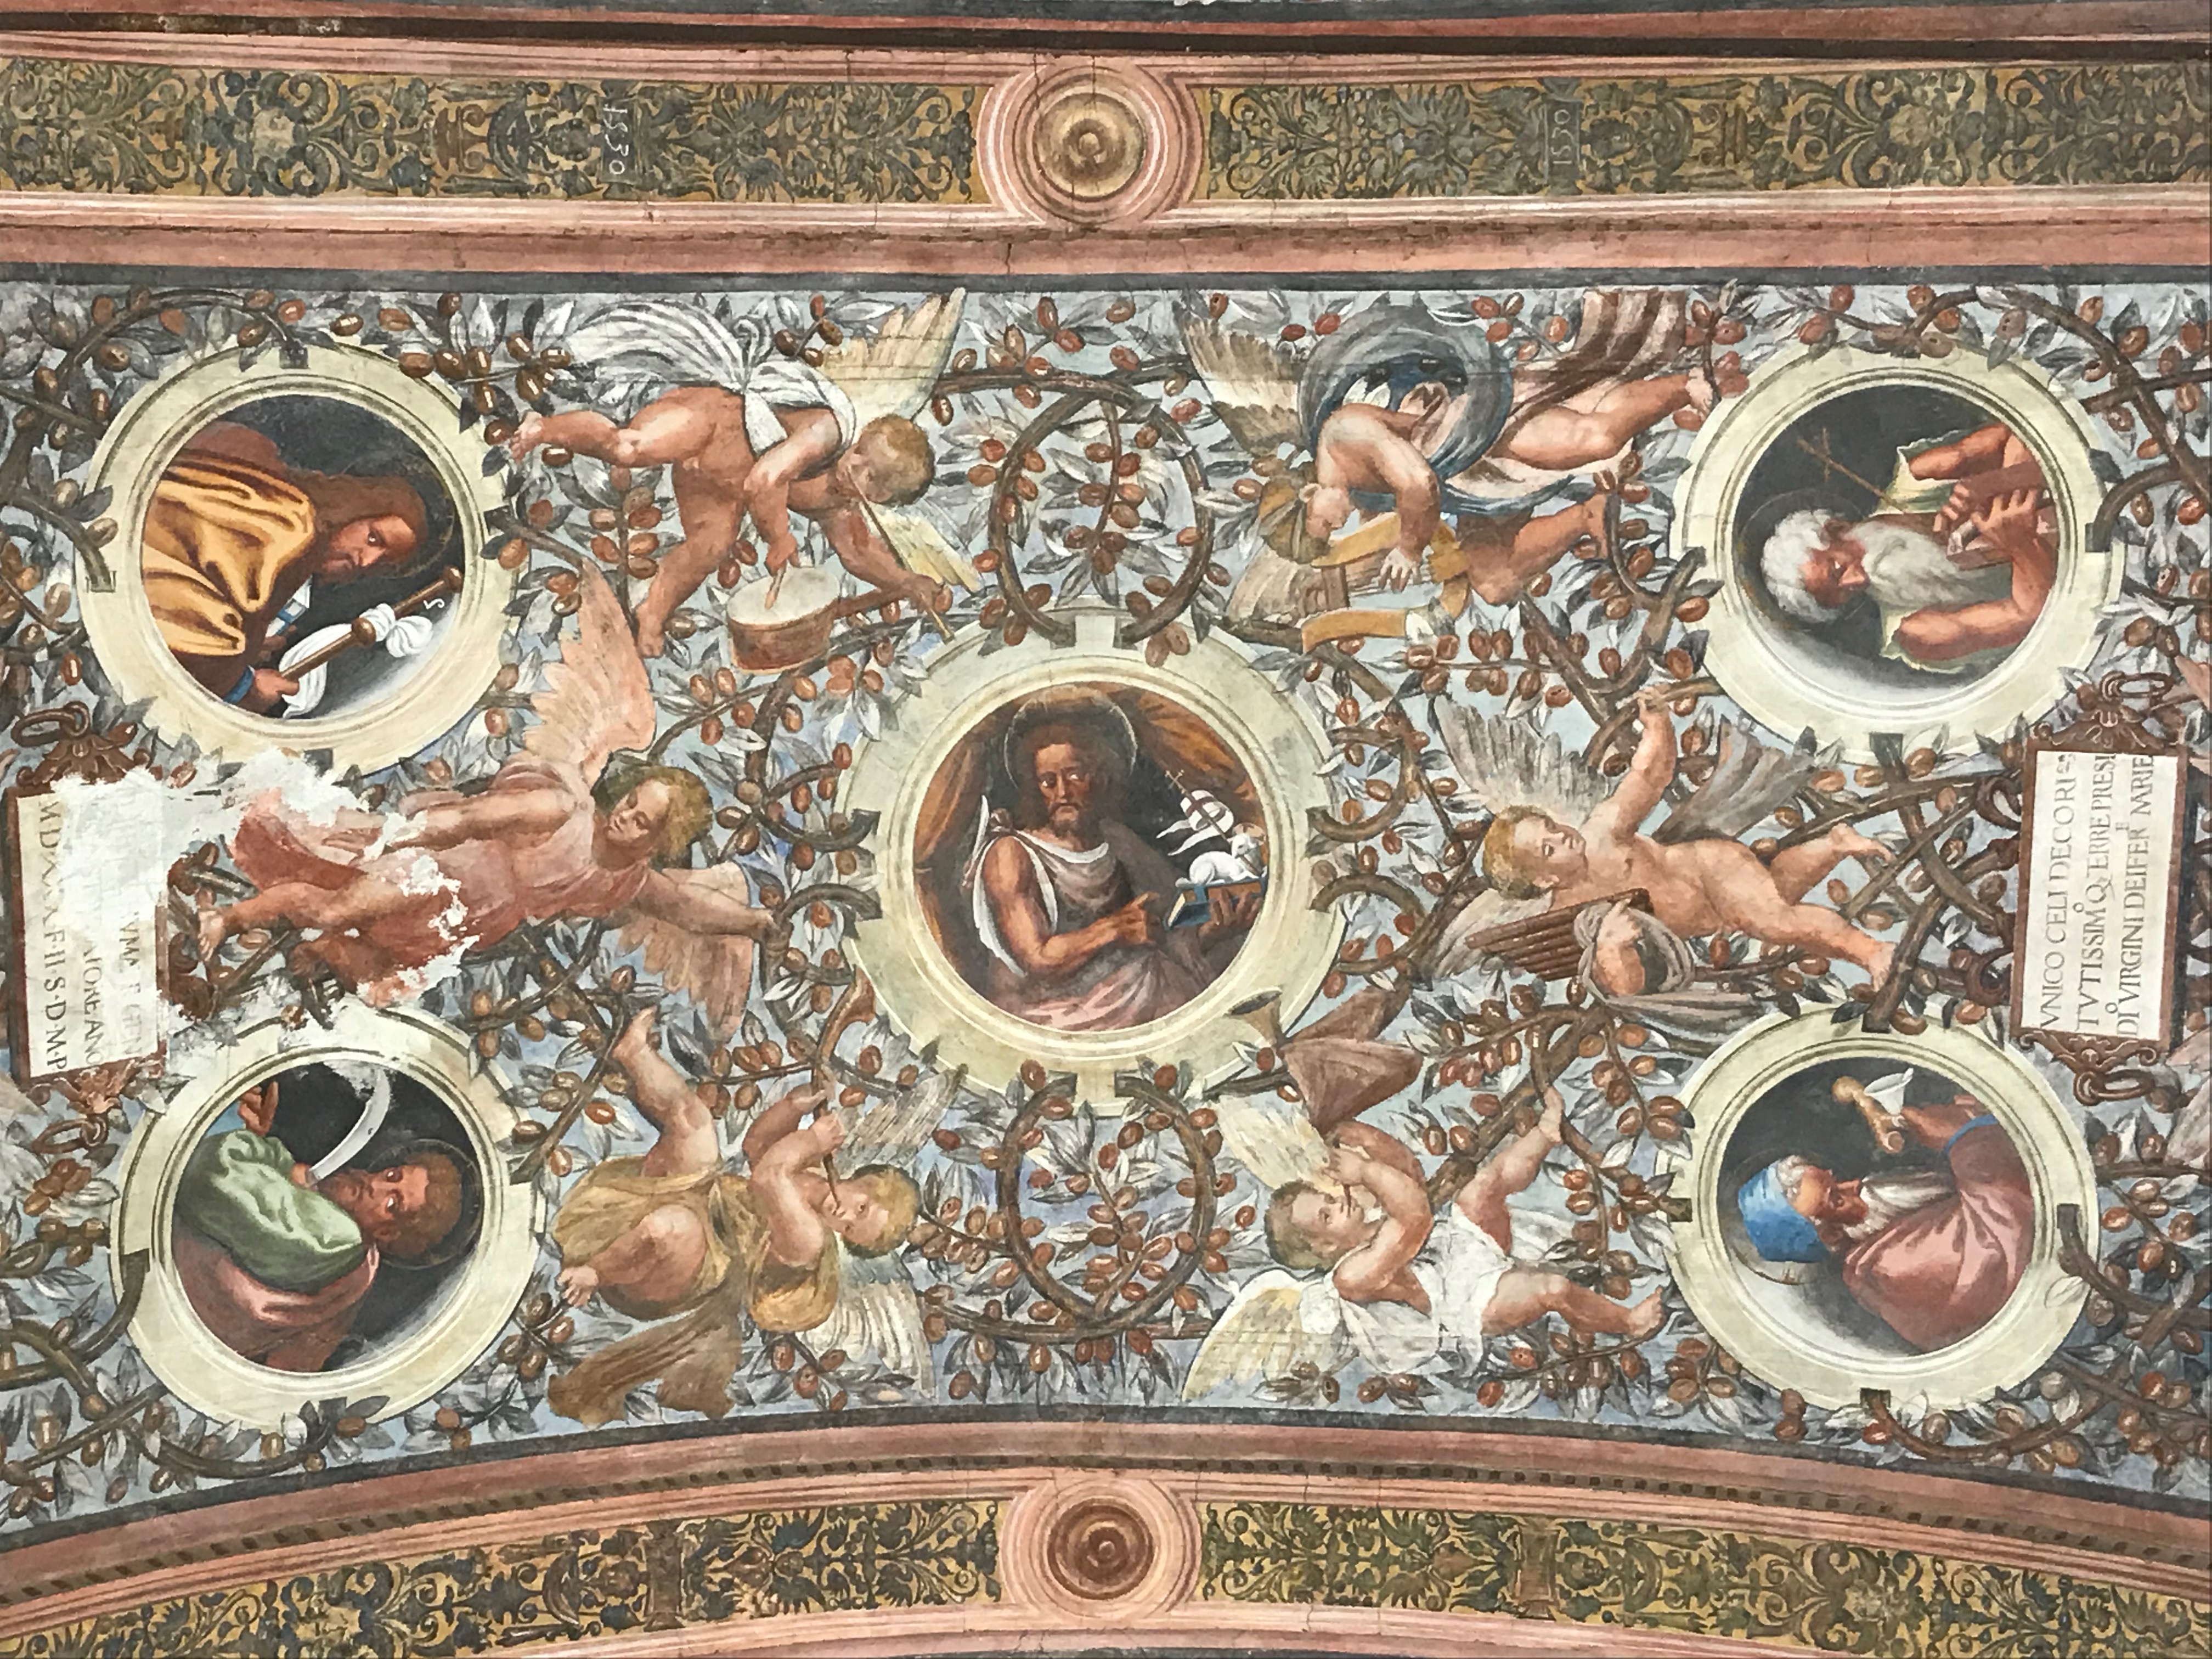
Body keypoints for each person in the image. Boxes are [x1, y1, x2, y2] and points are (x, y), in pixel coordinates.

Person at [545, 1008, 919, 1425]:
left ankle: (595, 1273)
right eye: (861, 1207)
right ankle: (633, 1052)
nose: (844, 1214)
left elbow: (769, 1176)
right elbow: (758, 1146)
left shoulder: (810, 1239)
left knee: (669, 1228)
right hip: (703, 1197)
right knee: (695, 1125)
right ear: (863, 1180)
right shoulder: (814, 1172)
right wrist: (794, 1107)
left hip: (701, 1263)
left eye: (850, 1228)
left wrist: (812, 1139)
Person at [1482, 690, 1897, 983]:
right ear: (1544, 880)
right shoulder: (1571, 916)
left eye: (1553, 828)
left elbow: (1648, 777)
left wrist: (1658, 725)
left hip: (1710, 872)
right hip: (1709, 916)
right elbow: (1614, 980)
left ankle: (1872, 951)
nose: (1563, 837)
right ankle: (1834, 844)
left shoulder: (1602, 834)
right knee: (1778, 895)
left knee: (1777, 921)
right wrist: (1612, 949)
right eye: (1549, 848)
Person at [507, 389, 935, 657]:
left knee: (710, 547)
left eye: (873, 478)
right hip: (713, 425)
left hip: (718, 489)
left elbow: (857, 552)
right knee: (628, 448)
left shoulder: (838, 504)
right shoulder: (827, 433)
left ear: (882, 498)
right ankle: (543, 427)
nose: (855, 469)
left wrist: (906, 581)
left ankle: (653, 611)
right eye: (861, 454)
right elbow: (765, 478)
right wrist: (779, 537)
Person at [1263, 1089, 1664, 1368]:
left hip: (1461, 1249)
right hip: (1468, 1302)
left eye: (1329, 1198)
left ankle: (1546, 1134)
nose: (1339, 1202)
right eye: (1327, 1216)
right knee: (1552, 1289)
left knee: (1484, 1187)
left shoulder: (1365, 1226)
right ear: (1323, 1249)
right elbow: (1415, 1217)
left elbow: (1409, 1175)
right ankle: (1629, 1322)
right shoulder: (1351, 1276)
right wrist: (1366, 1171)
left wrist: (1364, 1137)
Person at [969, 690, 1257, 1031]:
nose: (1062, 793)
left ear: (1102, 775)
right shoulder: (1011, 854)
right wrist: (1116, 928)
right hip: (1051, 1015)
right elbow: (1039, 958)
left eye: (1074, 775)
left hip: (1125, 991)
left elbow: (1164, 935)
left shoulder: (1118, 841)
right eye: (1048, 782)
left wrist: (1215, 929)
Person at [172, 1080, 470, 1372]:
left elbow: (212, 1175)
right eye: (392, 1176)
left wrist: (255, 1146)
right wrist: (267, 1149)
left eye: (393, 1204)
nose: (375, 1185)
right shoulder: (348, 1261)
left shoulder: (336, 1239)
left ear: (387, 1234)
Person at [143, 423, 435, 713]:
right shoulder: (289, 525)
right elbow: (184, 614)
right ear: (354, 508)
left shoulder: (299, 572)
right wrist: (245, 688)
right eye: (373, 538)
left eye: (382, 564)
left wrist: (249, 644)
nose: (366, 561)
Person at [1734, 1090, 2033, 1351]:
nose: (1855, 1184)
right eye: (1837, 1199)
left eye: (1836, 1179)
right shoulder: (1888, 1270)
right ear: (1831, 1236)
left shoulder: (1874, 1196)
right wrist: (1964, 1137)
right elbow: (2006, 1238)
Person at [1758, 422, 2056, 673]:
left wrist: (1998, 481)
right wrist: (2023, 548)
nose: (1859, 580)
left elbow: (2024, 433)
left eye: (1838, 569)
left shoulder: (1921, 478)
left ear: (1836, 529)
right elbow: (2030, 618)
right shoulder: (1916, 632)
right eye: (1847, 594)